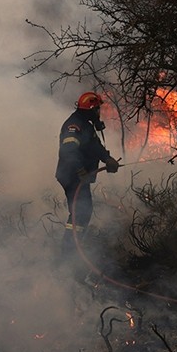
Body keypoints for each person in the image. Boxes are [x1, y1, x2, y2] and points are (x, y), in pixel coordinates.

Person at [55, 92, 120, 255]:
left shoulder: (86, 125)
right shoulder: (74, 126)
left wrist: (108, 159)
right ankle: (68, 252)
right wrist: (80, 170)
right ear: (91, 109)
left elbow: (95, 147)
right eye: (97, 109)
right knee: (80, 212)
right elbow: (68, 151)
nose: (99, 112)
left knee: (83, 212)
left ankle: (72, 248)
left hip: (79, 176)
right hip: (72, 176)